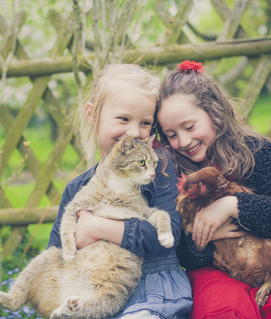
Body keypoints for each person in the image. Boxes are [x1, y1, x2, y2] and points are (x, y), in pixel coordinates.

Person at [154, 60, 271, 319]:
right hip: (215, 270)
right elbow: (179, 249)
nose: (184, 141)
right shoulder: (173, 170)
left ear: (214, 112)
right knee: (222, 311)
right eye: (171, 134)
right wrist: (204, 241)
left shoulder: (256, 152)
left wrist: (231, 206)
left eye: (189, 127)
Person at [47, 63, 193, 318]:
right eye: (123, 119)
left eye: (145, 123)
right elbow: (56, 252)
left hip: (151, 294)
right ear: (92, 115)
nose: (134, 132)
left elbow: (167, 235)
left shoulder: (159, 172)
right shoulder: (78, 187)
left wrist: (97, 228)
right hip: (92, 293)